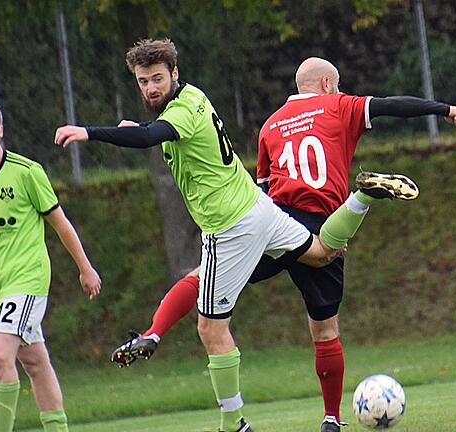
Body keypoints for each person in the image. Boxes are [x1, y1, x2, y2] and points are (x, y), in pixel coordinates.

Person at [53, 39, 418, 432]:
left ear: (175, 74)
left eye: (157, 78)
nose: (150, 88)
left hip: (228, 226)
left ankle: (232, 424)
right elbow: (155, 132)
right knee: (322, 250)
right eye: (143, 82)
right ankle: (361, 197)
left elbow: (150, 136)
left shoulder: (183, 111)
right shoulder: (192, 97)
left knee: (210, 326)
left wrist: (89, 132)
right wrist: (139, 128)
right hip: (260, 209)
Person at [0, 98, 102, 432]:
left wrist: (85, 268)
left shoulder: (27, 172)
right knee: (34, 362)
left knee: (1, 355)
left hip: (28, 279)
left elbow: (61, 224)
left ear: (2, 129)